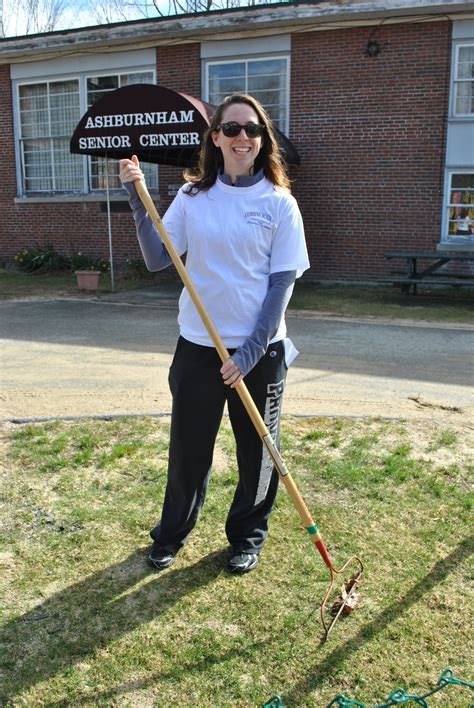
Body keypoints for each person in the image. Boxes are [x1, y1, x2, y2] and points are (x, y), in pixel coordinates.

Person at [119, 93, 309, 574]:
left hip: (259, 354)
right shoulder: (192, 197)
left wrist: (248, 352)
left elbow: (280, 285)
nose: (241, 137)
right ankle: (171, 534)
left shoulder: (279, 203)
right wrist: (138, 201)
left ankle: (247, 536)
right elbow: (158, 258)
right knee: (189, 450)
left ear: (263, 139)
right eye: (231, 129)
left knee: (258, 451)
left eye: (251, 129)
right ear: (215, 137)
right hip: (199, 348)